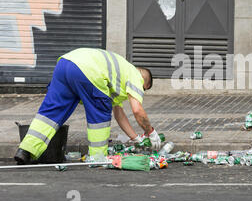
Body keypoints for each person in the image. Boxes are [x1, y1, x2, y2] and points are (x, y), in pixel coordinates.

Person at [14, 48, 161, 165]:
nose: (140, 92)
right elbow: (137, 109)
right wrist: (151, 132)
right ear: (144, 82)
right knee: (100, 113)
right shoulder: (135, 75)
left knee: (50, 113)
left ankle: (26, 150)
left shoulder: (119, 74)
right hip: (88, 71)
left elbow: (119, 114)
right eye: (143, 89)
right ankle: (98, 157)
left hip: (65, 63)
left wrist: (135, 138)